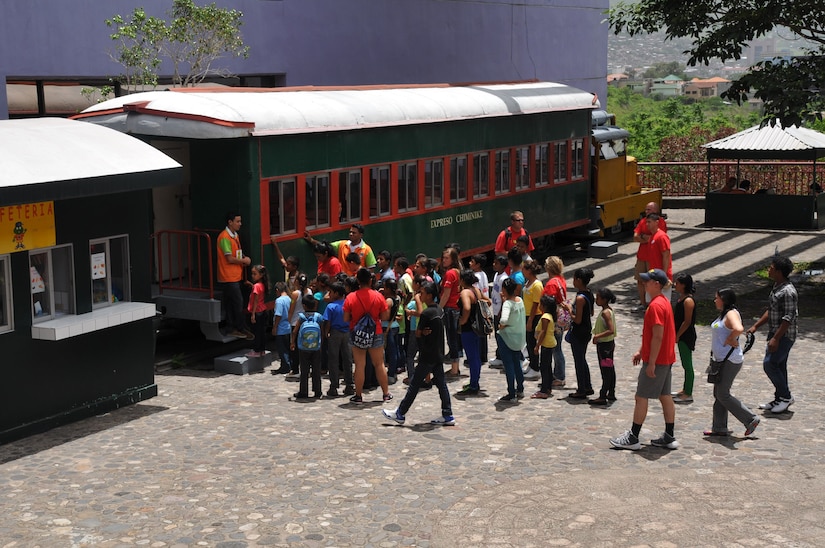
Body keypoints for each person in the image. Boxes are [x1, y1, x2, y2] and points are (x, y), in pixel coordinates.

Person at [610, 268, 678, 451]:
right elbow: (653, 336)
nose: (644, 283)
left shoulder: (656, 306)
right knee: (665, 396)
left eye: (647, 281)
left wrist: (652, 362)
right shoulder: (663, 302)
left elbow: (657, 336)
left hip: (658, 360)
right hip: (667, 358)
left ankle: (633, 437)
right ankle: (669, 436)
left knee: (641, 397)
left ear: (657, 284)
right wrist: (641, 350)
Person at [381, 282, 455, 426]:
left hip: (427, 355)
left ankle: (400, 413)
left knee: (414, 384)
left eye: (423, 293)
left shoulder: (427, 313)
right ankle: (447, 414)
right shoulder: (440, 310)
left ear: (429, 295)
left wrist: (423, 333)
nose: (420, 296)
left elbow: (419, 333)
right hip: (437, 353)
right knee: (441, 384)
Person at [704, 288, 760, 437]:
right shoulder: (724, 314)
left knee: (723, 394)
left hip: (730, 360)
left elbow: (739, 328)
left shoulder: (730, 313)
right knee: (718, 393)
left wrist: (731, 339)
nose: (715, 300)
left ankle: (750, 419)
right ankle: (719, 427)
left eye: (717, 298)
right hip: (721, 360)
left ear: (724, 299)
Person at [747, 255, 798, 414]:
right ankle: (779, 398)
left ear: (779, 271)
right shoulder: (777, 286)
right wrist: (756, 326)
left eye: (771, 267)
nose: (768, 269)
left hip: (784, 335)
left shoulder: (788, 291)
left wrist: (776, 338)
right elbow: (771, 310)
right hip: (774, 332)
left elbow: (789, 317)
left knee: (769, 364)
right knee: (779, 366)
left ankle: (786, 397)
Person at [343, 267, 393, 404]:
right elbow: (384, 316)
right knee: (379, 363)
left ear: (358, 280)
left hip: (357, 333)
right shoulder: (378, 296)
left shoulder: (351, 297)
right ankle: (386, 394)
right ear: (371, 280)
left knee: (359, 365)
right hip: (375, 331)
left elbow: (346, 318)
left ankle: (358, 395)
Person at [218, 212, 253, 339]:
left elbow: (236, 254)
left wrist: (242, 258)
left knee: (231, 303)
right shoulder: (225, 237)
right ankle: (239, 327)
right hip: (228, 276)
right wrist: (244, 261)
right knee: (237, 302)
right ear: (230, 222)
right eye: (237, 221)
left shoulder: (234, 236)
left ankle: (231, 327)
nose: (240, 224)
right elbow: (229, 258)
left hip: (234, 275)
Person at [631, 203, 667, 312]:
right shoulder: (643, 221)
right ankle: (643, 303)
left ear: (655, 210)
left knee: (652, 281)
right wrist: (644, 237)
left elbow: (657, 236)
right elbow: (635, 237)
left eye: (649, 209)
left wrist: (644, 237)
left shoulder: (660, 222)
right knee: (640, 280)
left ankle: (653, 303)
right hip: (642, 256)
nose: (646, 211)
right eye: (646, 209)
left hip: (653, 257)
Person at [304, 223, 376, 277]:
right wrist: (311, 240)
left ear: (361, 235)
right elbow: (325, 246)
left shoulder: (367, 249)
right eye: (350, 232)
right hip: (343, 280)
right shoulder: (342, 244)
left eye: (354, 233)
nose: (351, 234)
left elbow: (371, 269)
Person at [496, 277, 526, 403]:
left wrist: (501, 326)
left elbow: (503, 319)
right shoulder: (520, 301)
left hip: (507, 337)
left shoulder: (508, 304)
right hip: (519, 338)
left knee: (508, 366)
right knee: (517, 363)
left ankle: (511, 393)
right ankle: (520, 389)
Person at [567, 268, 595, 399]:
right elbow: (591, 313)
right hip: (587, 330)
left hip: (579, 332)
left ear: (578, 280)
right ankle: (587, 386)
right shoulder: (589, 294)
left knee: (579, 360)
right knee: (582, 359)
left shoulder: (579, 298)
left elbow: (577, 319)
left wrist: (568, 310)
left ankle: (581, 389)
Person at [322, 281, 354, 397]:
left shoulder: (331, 306)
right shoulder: (348, 304)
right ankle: (349, 385)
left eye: (330, 292)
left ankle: (334, 386)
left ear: (336, 293)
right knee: (347, 359)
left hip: (335, 333)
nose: (329, 294)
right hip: (347, 333)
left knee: (333, 360)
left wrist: (326, 333)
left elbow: (328, 322)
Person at [457, 270, 485, 395]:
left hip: (468, 328)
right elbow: (485, 301)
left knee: (472, 357)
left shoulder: (465, 292)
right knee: (476, 357)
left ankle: (474, 385)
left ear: (463, 280)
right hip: (476, 328)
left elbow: (467, 308)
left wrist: (463, 320)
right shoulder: (476, 290)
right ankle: (475, 381)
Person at [291, 294, 324, 399]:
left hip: (303, 348)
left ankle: (303, 391)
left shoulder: (301, 317)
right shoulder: (318, 317)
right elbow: (322, 332)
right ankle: (317, 391)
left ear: (304, 306)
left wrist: (292, 343)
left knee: (304, 370)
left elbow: (295, 331)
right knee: (316, 369)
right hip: (316, 347)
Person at [543, 256, 568, 387]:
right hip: (561, 317)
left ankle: (559, 376)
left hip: (555, 319)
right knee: (557, 347)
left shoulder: (551, 283)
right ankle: (558, 373)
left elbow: (550, 302)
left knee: (555, 348)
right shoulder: (561, 280)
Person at [589, 288, 617, 406]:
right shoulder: (608, 311)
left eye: (598, 297)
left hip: (604, 345)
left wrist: (597, 336)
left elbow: (611, 330)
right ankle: (611, 392)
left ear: (604, 300)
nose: (596, 300)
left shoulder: (606, 313)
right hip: (609, 344)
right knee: (610, 369)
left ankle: (603, 395)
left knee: (605, 370)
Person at [672, 273, 697, 403]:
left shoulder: (688, 301)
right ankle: (684, 389)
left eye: (678, 283)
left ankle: (688, 392)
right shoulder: (682, 298)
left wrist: (677, 335)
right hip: (681, 335)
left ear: (684, 285)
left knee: (687, 365)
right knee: (684, 363)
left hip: (686, 336)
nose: (675, 285)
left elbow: (687, 322)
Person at [439, 246, 463, 376]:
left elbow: (446, 294)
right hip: (455, 308)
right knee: (454, 337)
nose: (444, 260)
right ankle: (455, 366)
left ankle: (454, 368)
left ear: (453, 259)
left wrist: (438, 308)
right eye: (443, 258)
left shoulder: (449, 273)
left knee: (451, 338)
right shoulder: (458, 271)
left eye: (447, 258)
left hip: (450, 308)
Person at [531, 295, 557, 399]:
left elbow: (543, 332)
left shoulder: (545, 317)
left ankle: (544, 390)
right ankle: (548, 387)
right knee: (547, 366)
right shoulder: (549, 315)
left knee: (544, 367)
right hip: (549, 344)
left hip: (546, 344)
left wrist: (537, 345)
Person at [522, 260, 543, 380]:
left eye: (524, 269)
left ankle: (536, 367)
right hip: (527, 315)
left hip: (534, 316)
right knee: (528, 342)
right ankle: (532, 364)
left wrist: (530, 321)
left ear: (529, 270)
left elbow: (536, 304)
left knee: (532, 342)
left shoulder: (537, 285)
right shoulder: (528, 282)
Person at [646, 213, 672, 303]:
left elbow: (666, 256)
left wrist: (664, 275)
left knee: (662, 303)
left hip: (661, 277)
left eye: (649, 222)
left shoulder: (662, 236)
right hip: (653, 276)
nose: (647, 224)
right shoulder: (652, 237)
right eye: (647, 222)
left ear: (656, 222)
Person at [488, 254, 509, 368]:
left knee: (501, 335)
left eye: (496, 263)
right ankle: (499, 355)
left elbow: (504, 295)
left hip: (500, 311)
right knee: (497, 334)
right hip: (495, 309)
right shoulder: (496, 275)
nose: (494, 265)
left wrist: (501, 310)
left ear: (503, 265)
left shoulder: (504, 278)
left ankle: (502, 357)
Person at [245, 264, 270, 358]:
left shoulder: (256, 286)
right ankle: (262, 350)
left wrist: (253, 314)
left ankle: (256, 350)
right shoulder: (262, 285)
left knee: (256, 333)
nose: (252, 276)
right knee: (262, 332)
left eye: (254, 274)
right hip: (263, 310)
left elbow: (255, 300)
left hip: (257, 312)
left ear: (261, 275)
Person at [469, 254, 490, 365]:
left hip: (479, 305)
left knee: (479, 330)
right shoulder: (483, 274)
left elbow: (477, 291)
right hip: (485, 304)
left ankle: (480, 355)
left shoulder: (476, 276)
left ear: (477, 265)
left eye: (472, 262)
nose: (470, 263)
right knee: (483, 330)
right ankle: (483, 355)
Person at [270, 282, 293, 374]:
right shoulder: (289, 299)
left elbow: (278, 315)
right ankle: (290, 364)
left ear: (277, 290)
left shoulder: (279, 301)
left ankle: (285, 366)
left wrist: (275, 327)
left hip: (281, 328)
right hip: (288, 326)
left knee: (282, 349)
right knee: (287, 348)